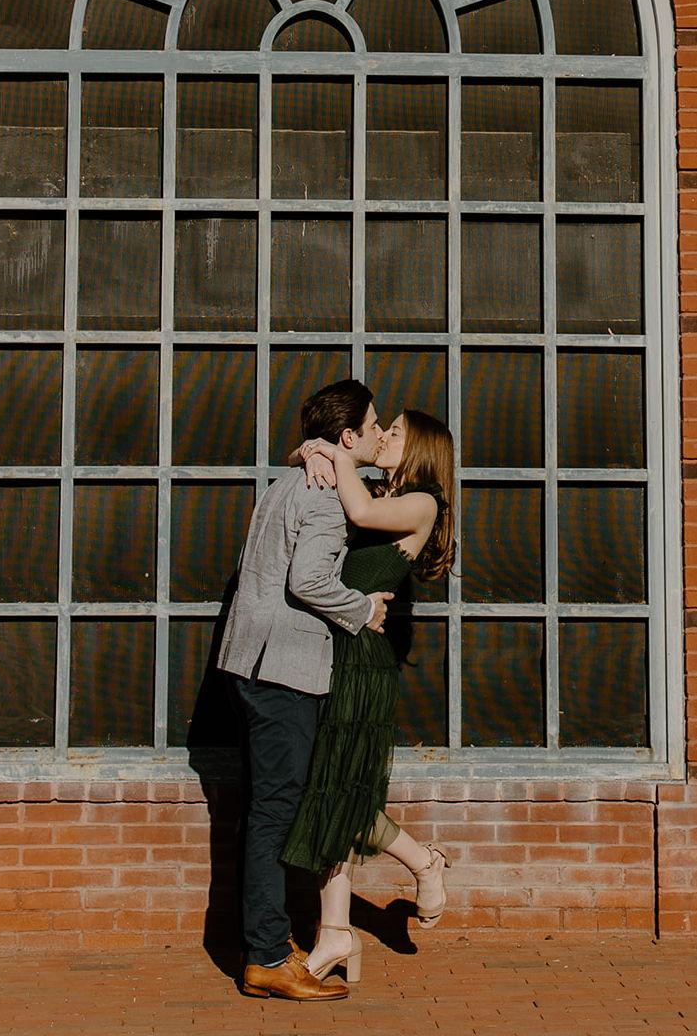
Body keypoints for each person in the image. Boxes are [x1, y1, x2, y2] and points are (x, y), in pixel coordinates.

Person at [215, 379, 394, 1001]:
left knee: (267, 809)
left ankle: (268, 941)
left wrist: (310, 451)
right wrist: (363, 606)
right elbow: (311, 580)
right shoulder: (322, 496)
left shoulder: (291, 479)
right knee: (273, 814)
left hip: (249, 666)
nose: (379, 436)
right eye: (373, 427)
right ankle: (265, 956)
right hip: (283, 672)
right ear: (347, 437)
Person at [279, 408, 458, 987]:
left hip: (365, 664)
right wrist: (312, 450)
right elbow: (315, 476)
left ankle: (420, 859)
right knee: (328, 790)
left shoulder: (424, 502)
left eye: (396, 432)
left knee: (338, 790)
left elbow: (355, 510)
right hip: (333, 652)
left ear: (420, 450)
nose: (384, 437)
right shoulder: (375, 484)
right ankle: (336, 932)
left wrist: (331, 453)